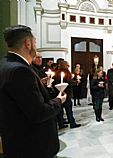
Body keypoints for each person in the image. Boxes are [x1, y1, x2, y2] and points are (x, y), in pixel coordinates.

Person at [0, 25, 67, 158]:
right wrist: (59, 100)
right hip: (31, 146)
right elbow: (39, 112)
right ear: (28, 43)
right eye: (35, 42)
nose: (36, 46)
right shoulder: (20, 70)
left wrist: (45, 87)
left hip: (14, 141)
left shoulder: (5, 63)